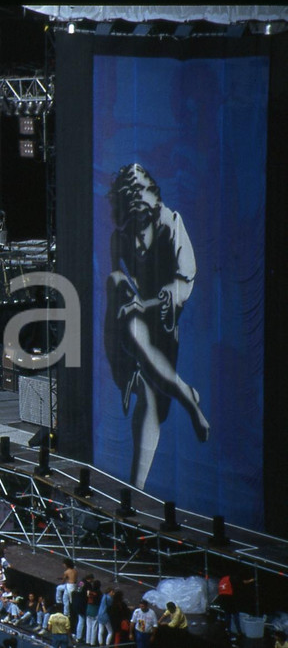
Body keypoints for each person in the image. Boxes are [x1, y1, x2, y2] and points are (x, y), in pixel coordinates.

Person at [105, 163, 210, 489]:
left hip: (163, 321)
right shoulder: (118, 239)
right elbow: (114, 308)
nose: (137, 236)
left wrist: (147, 304)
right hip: (130, 323)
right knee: (116, 282)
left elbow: (185, 282)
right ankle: (186, 395)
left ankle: (136, 491)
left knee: (150, 398)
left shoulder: (172, 224)